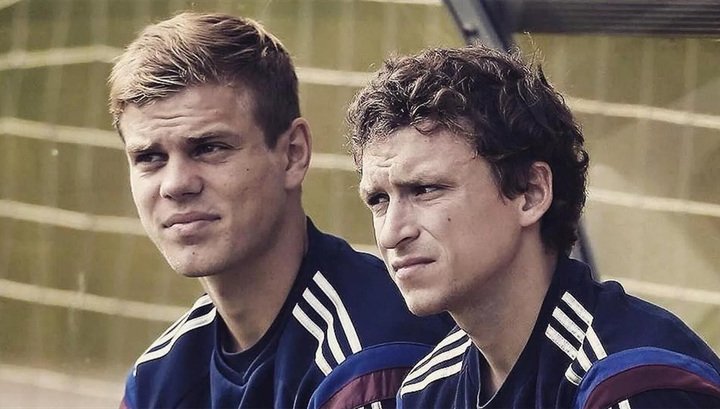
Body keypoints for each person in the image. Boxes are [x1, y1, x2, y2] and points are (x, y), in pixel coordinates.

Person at [108, 12, 452, 409]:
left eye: (209, 148)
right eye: (149, 157)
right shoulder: (158, 378)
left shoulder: (368, 366)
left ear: (293, 154)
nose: (175, 184)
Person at [346, 45, 720, 408]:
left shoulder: (632, 386)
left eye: (426, 190)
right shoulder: (428, 390)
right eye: (378, 200)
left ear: (530, 192)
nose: (392, 234)